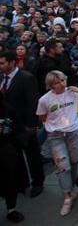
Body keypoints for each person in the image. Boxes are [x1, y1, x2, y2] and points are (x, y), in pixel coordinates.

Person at [37, 70, 78, 216]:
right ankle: (67, 197)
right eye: (58, 82)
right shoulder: (44, 99)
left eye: (63, 80)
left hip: (73, 133)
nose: (62, 84)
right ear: (51, 85)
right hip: (55, 135)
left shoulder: (73, 93)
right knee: (63, 166)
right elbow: (42, 117)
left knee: (74, 162)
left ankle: (71, 188)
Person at [0, 50, 44, 198]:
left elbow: (33, 102)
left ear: (12, 63)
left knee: (32, 154)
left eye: (2, 63)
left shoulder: (26, 78)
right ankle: (22, 182)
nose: (0, 66)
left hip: (24, 124)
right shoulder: (1, 77)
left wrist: (31, 124)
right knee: (14, 156)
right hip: (7, 126)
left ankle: (38, 182)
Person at [0, 89, 24, 223]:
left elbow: (18, 129)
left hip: (7, 150)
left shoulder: (7, 109)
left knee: (10, 181)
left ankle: (11, 209)